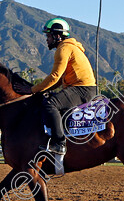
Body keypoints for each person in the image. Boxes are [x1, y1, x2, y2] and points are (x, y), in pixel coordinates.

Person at [29, 18, 96, 166]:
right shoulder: (69, 47)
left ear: (57, 36)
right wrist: (41, 90)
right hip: (81, 88)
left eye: (48, 36)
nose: (47, 39)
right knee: (47, 99)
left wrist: (32, 90)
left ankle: (59, 143)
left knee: (50, 104)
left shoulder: (64, 49)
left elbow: (54, 76)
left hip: (82, 90)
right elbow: (59, 81)